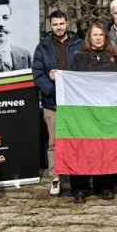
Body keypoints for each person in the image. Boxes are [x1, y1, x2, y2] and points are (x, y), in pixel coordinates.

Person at [69, 23, 117, 203]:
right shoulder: (79, 57)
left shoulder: (115, 57)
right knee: (82, 148)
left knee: (105, 148)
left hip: (106, 112)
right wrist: (58, 76)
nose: (98, 38)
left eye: (102, 34)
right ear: (89, 37)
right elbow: (71, 82)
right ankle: (80, 187)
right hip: (84, 112)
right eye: (95, 35)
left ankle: (104, 186)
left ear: (106, 37)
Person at [32, 11, 84, 197]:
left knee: (78, 139)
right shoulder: (43, 47)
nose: (59, 27)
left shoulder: (80, 43)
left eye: (61, 23)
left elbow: (85, 69)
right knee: (53, 142)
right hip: (52, 102)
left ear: (67, 23)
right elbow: (37, 73)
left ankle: (80, 175)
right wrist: (52, 88)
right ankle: (55, 177)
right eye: (55, 24)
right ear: (50, 26)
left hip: (76, 102)